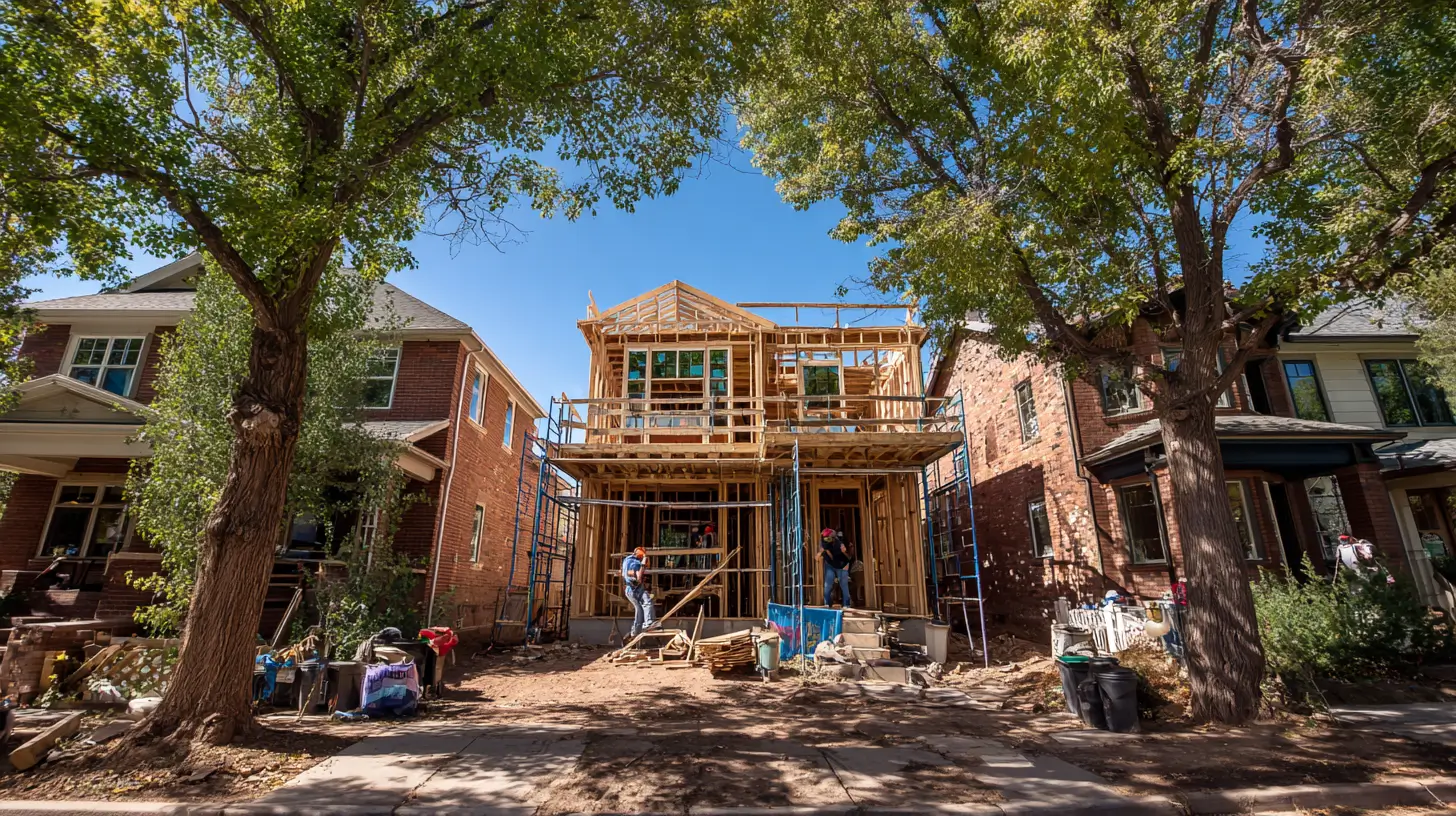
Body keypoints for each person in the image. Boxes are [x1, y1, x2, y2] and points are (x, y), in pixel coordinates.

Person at [622, 546, 655, 637]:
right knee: (647, 602)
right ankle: (648, 623)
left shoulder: (626, 560)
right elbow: (639, 578)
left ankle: (635, 631)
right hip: (635, 588)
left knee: (639, 608)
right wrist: (643, 565)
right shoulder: (636, 563)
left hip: (629, 589)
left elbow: (625, 573)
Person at [819, 528, 853, 608]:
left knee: (844, 584)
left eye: (828, 538)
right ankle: (827, 603)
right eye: (825, 538)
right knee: (827, 585)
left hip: (842, 565)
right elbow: (816, 558)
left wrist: (844, 552)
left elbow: (849, 558)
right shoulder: (823, 544)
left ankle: (846, 604)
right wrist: (821, 552)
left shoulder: (840, 543)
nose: (827, 540)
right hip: (830, 565)